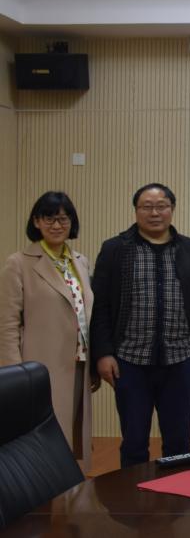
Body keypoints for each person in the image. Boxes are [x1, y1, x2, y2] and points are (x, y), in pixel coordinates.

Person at [90, 183, 190, 468]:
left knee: (179, 441)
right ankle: (133, 495)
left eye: (161, 206)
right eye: (146, 207)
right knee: (134, 441)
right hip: (129, 361)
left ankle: (178, 493)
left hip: (181, 359)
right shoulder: (115, 249)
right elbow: (100, 306)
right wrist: (103, 353)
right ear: (136, 211)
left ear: (172, 209)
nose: (154, 213)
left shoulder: (189, 249)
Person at [0, 192, 95, 472]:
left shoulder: (80, 261)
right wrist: (14, 373)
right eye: (49, 218)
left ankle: (68, 490)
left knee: (72, 436)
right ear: (36, 222)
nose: (56, 225)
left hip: (78, 364)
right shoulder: (19, 262)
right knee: (42, 439)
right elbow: (7, 323)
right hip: (38, 366)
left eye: (63, 219)